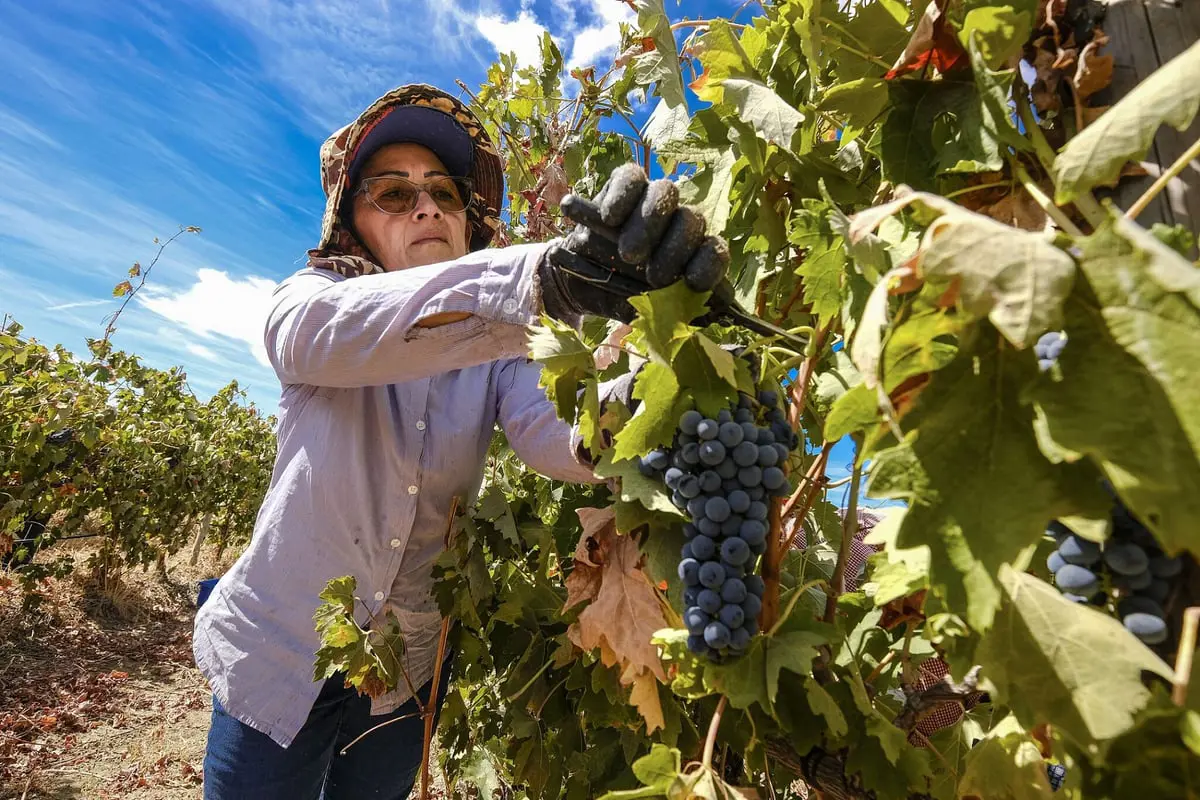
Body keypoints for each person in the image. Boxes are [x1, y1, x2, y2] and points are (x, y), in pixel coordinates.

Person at [194, 84, 728, 800]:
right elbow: (333, 335)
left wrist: (649, 400)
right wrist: (546, 282)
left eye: (444, 193)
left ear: (466, 218)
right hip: (280, 647)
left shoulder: (503, 348)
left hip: (405, 665)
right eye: (392, 193)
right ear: (351, 220)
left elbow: (550, 434)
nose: (426, 207)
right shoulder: (312, 303)